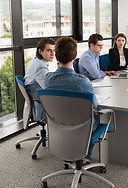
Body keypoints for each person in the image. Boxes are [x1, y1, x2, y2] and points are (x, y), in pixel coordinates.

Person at [45, 36, 99, 164]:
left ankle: (70, 152)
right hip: (81, 125)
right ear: (75, 57)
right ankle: (84, 157)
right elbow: (95, 105)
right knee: (96, 117)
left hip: (58, 123)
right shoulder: (82, 81)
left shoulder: (47, 79)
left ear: (56, 57)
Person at [24, 38, 55, 121]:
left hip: (35, 99)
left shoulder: (34, 61)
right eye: (49, 50)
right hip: (40, 102)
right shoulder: (40, 66)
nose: (53, 54)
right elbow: (48, 88)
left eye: (54, 50)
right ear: (40, 51)